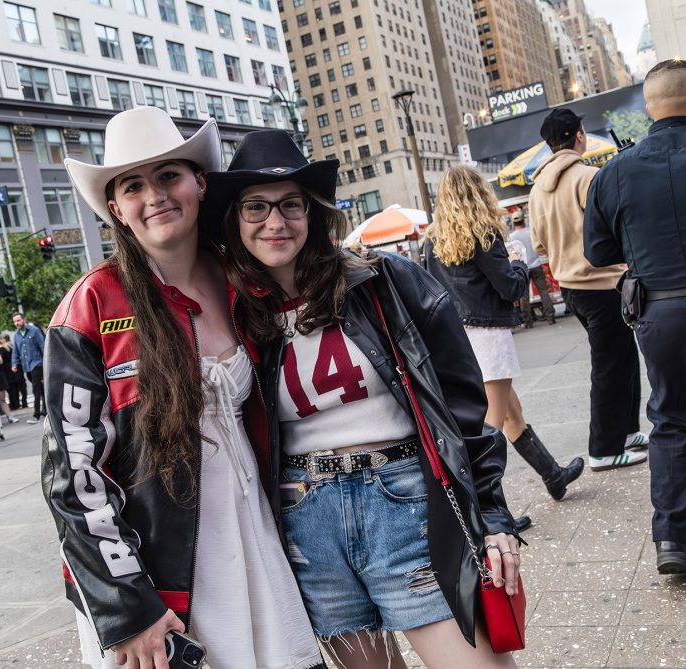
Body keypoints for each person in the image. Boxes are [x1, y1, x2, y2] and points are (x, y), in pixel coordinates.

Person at [208, 130, 521, 668]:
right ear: (235, 219)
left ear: (314, 211)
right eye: (255, 207)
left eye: (290, 205)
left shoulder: (385, 281)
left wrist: (493, 519)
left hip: (405, 504)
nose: (275, 222)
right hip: (306, 520)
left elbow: (463, 408)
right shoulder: (235, 317)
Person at [43, 107, 323, 669]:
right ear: (117, 210)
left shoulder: (244, 280)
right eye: (133, 186)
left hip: (256, 537)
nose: (155, 195)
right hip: (159, 570)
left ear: (199, 183)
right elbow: (73, 476)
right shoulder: (91, 305)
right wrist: (129, 609)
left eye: (169, 175)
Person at [424, 166, 583, 510]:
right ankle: (492, 512)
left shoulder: (432, 241)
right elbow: (510, 287)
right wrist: (519, 261)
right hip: (490, 337)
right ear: (479, 193)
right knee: (491, 427)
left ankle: (553, 475)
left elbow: (428, 290)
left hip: (459, 337)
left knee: (512, 414)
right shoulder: (484, 234)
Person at [583, 59, 686, 574]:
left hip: (661, 309)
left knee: (669, 420)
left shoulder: (615, 171)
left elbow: (598, 253)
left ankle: (672, 540)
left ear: (649, 107)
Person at [528, 107, 649, 472]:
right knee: (610, 365)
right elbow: (615, 227)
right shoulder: (588, 176)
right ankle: (604, 448)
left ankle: (626, 431)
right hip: (602, 283)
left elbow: (539, 247)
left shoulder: (537, 190)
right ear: (579, 135)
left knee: (622, 357)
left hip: (571, 287)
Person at [508, 211, 555, 327]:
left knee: (524, 296)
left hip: (523, 267)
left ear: (513, 223)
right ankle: (550, 317)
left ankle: (528, 322)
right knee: (543, 292)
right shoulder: (530, 232)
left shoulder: (512, 237)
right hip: (536, 265)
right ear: (524, 220)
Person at [11, 313, 45, 424]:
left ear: (24, 320)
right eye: (15, 321)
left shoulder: (34, 331)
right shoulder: (16, 336)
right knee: (40, 388)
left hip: (37, 364)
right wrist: (14, 364)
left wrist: (46, 361)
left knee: (36, 389)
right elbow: (15, 351)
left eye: (18, 320)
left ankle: (36, 415)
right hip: (27, 367)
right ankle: (46, 409)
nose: (17, 323)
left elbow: (42, 346)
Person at [0, 334, 24, 411]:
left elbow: (0, 362)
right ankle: (17, 403)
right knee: (15, 388)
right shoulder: (8, 347)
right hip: (12, 368)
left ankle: (14, 404)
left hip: (6, 370)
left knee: (11, 389)